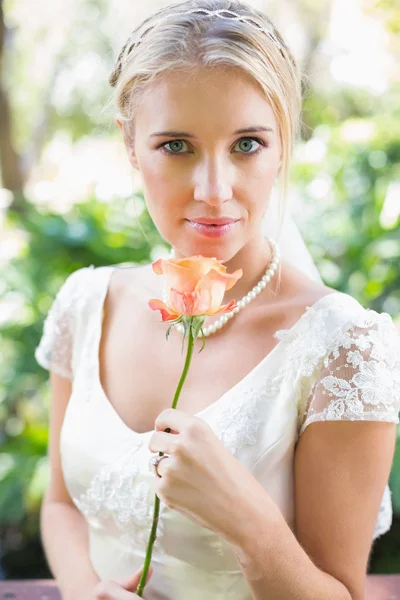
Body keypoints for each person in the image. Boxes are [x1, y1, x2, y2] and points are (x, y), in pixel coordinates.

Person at [34, 1, 400, 599]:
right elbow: (60, 505)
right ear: (130, 146)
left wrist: (248, 521)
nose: (213, 190)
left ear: (283, 145)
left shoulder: (344, 348)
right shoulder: (87, 303)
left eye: (248, 144)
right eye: (176, 146)